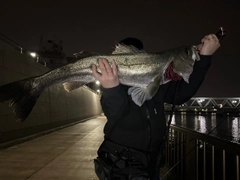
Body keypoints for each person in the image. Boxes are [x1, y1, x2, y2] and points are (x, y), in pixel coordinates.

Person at [92, 35, 220, 180]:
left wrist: (204, 58)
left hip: (152, 164)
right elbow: (115, 112)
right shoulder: (112, 84)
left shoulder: (156, 82)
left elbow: (180, 95)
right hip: (122, 166)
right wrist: (111, 88)